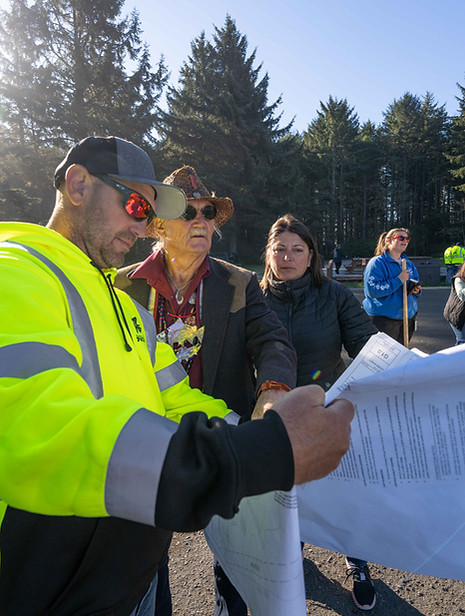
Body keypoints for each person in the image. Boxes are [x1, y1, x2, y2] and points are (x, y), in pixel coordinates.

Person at [0, 137, 355, 616]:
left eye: (148, 212)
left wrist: (270, 431)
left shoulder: (124, 305)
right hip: (57, 583)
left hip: (133, 562)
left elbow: (176, 399)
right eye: (136, 206)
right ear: (78, 185)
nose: (140, 222)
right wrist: (261, 453)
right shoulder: (16, 273)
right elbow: (43, 432)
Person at [116, 165, 297, 616]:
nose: (201, 220)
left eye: (208, 211)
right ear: (157, 225)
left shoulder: (239, 282)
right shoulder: (121, 284)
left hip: (221, 435)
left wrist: (271, 390)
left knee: (235, 561)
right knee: (143, 561)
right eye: (187, 211)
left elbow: (272, 340)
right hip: (144, 441)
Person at [260, 214, 378, 611]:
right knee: (286, 496)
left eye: (297, 250)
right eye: (280, 249)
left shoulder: (334, 296)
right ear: (269, 254)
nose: (288, 257)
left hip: (326, 409)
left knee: (342, 492)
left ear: (311, 256)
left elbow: (366, 343)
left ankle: (356, 560)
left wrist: (411, 371)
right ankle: (292, 553)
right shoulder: (254, 298)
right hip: (275, 419)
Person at [363, 228, 421, 346]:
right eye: (401, 238)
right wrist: (398, 280)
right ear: (389, 241)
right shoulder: (377, 263)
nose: (405, 241)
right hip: (385, 317)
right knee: (383, 359)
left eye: (407, 238)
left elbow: (415, 282)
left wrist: (416, 290)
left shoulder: (408, 263)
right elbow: (372, 290)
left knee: (402, 355)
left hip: (407, 316)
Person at [443, 260, 465, 345]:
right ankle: (455, 358)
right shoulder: (459, 279)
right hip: (457, 314)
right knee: (462, 341)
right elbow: (462, 296)